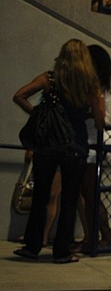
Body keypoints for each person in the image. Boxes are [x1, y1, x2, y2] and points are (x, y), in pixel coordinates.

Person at [12, 38, 106, 263]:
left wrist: (38, 113)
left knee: (41, 196)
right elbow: (100, 121)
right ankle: (62, 251)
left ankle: (32, 246)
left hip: (48, 145)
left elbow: (19, 95)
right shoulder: (90, 84)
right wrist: (85, 114)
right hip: (76, 146)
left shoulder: (49, 78)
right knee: (70, 199)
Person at [75, 44, 111, 254]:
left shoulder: (97, 87)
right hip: (91, 142)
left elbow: (101, 117)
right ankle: (94, 238)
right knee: (88, 194)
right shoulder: (97, 85)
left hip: (95, 142)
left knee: (91, 194)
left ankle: (104, 238)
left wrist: (81, 112)